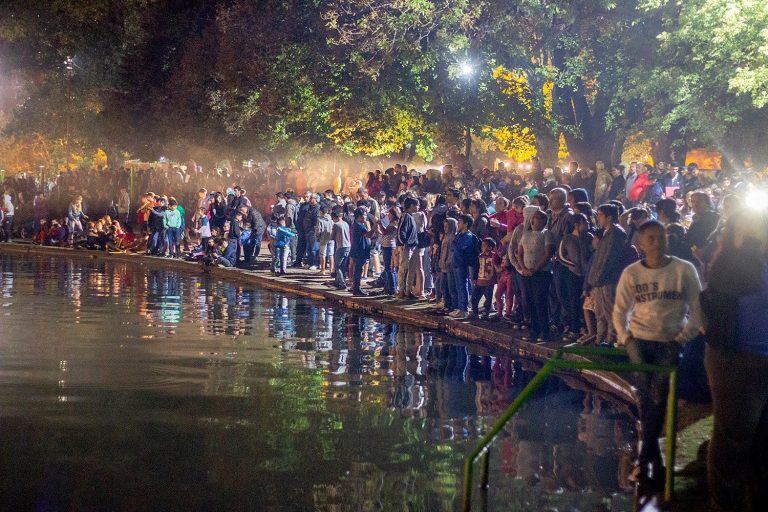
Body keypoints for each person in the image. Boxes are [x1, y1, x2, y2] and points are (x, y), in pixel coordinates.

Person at [613, 220, 702, 495]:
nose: (657, 242)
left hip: (669, 340)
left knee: (659, 395)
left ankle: (645, 456)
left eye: (661, 237)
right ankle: (652, 458)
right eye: (651, 238)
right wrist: (625, 337)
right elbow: (619, 309)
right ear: (640, 242)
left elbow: (697, 309)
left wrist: (681, 338)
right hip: (639, 339)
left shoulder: (684, 269)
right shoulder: (632, 273)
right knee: (645, 393)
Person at [701, 208, 768, 512]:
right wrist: (749, 244)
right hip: (737, 359)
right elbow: (736, 281)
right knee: (733, 439)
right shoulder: (731, 264)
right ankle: (724, 504)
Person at [587, 203, 631, 346]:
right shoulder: (605, 232)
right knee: (599, 311)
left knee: (610, 310)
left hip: (608, 278)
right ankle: (600, 338)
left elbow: (610, 258)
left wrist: (600, 275)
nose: (598, 218)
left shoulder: (617, 233)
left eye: (600, 215)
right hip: (599, 278)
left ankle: (611, 340)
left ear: (609, 217)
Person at [517, 209, 555, 342]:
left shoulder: (547, 234)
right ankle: (534, 330)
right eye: (534, 218)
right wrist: (523, 268)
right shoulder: (525, 234)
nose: (534, 220)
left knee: (540, 302)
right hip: (526, 273)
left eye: (538, 218)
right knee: (529, 301)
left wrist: (536, 269)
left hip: (541, 273)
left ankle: (544, 331)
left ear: (544, 221)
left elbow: (548, 253)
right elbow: (520, 253)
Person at [449, 214, 479, 320]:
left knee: (463, 286)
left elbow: (460, 247)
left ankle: (464, 309)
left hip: (462, 264)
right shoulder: (459, 235)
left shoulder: (468, 236)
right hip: (456, 263)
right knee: (458, 286)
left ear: (466, 224)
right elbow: (453, 246)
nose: (458, 224)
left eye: (460, 222)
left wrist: (456, 246)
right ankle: (460, 307)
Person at [470, 238, 499, 319]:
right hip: (480, 281)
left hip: (489, 282)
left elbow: (497, 267)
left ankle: (486, 312)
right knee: (475, 297)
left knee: (488, 298)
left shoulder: (494, 256)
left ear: (490, 247)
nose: (482, 247)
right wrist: (474, 278)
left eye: (484, 245)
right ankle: (474, 312)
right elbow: (476, 268)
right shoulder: (480, 256)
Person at [396, 197, 419, 299]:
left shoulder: (410, 216)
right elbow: (401, 231)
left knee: (411, 269)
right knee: (403, 268)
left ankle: (408, 291)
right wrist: (403, 243)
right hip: (407, 247)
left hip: (412, 246)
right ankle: (401, 291)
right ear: (411, 206)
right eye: (416, 205)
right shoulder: (405, 216)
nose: (418, 207)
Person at [350, 207, 372, 296]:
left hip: (359, 249)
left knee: (358, 269)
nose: (365, 218)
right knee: (358, 270)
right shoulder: (359, 225)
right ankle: (356, 289)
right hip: (360, 250)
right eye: (364, 216)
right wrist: (374, 227)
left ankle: (356, 287)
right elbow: (368, 234)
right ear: (359, 216)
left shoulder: (357, 224)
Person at [331, 209, 351, 290]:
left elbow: (332, 237)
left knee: (337, 266)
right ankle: (339, 281)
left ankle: (342, 283)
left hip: (341, 246)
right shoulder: (346, 223)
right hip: (348, 246)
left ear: (335, 217)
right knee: (343, 265)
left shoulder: (336, 225)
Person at [315, 204, 334, 275]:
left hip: (323, 239)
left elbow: (318, 230)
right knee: (331, 254)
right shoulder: (331, 219)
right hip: (331, 239)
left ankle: (323, 270)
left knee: (322, 254)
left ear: (321, 211)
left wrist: (317, 237)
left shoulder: (320, 220)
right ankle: (331, 270)